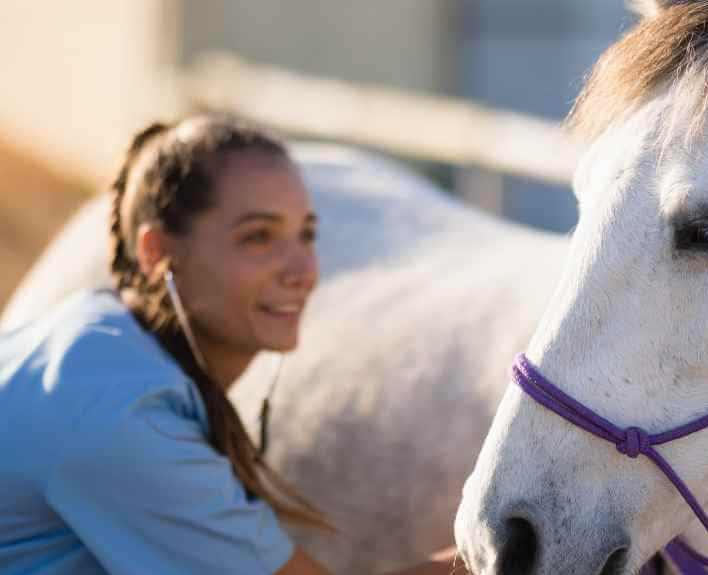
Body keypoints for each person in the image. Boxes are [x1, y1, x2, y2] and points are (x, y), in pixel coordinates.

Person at [0, 116, 462, 574]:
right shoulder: (121, 414)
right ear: (157, 253)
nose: (303, 270)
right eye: (258, 237)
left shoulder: (97, 343)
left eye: (306, 234)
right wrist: (501, 556)